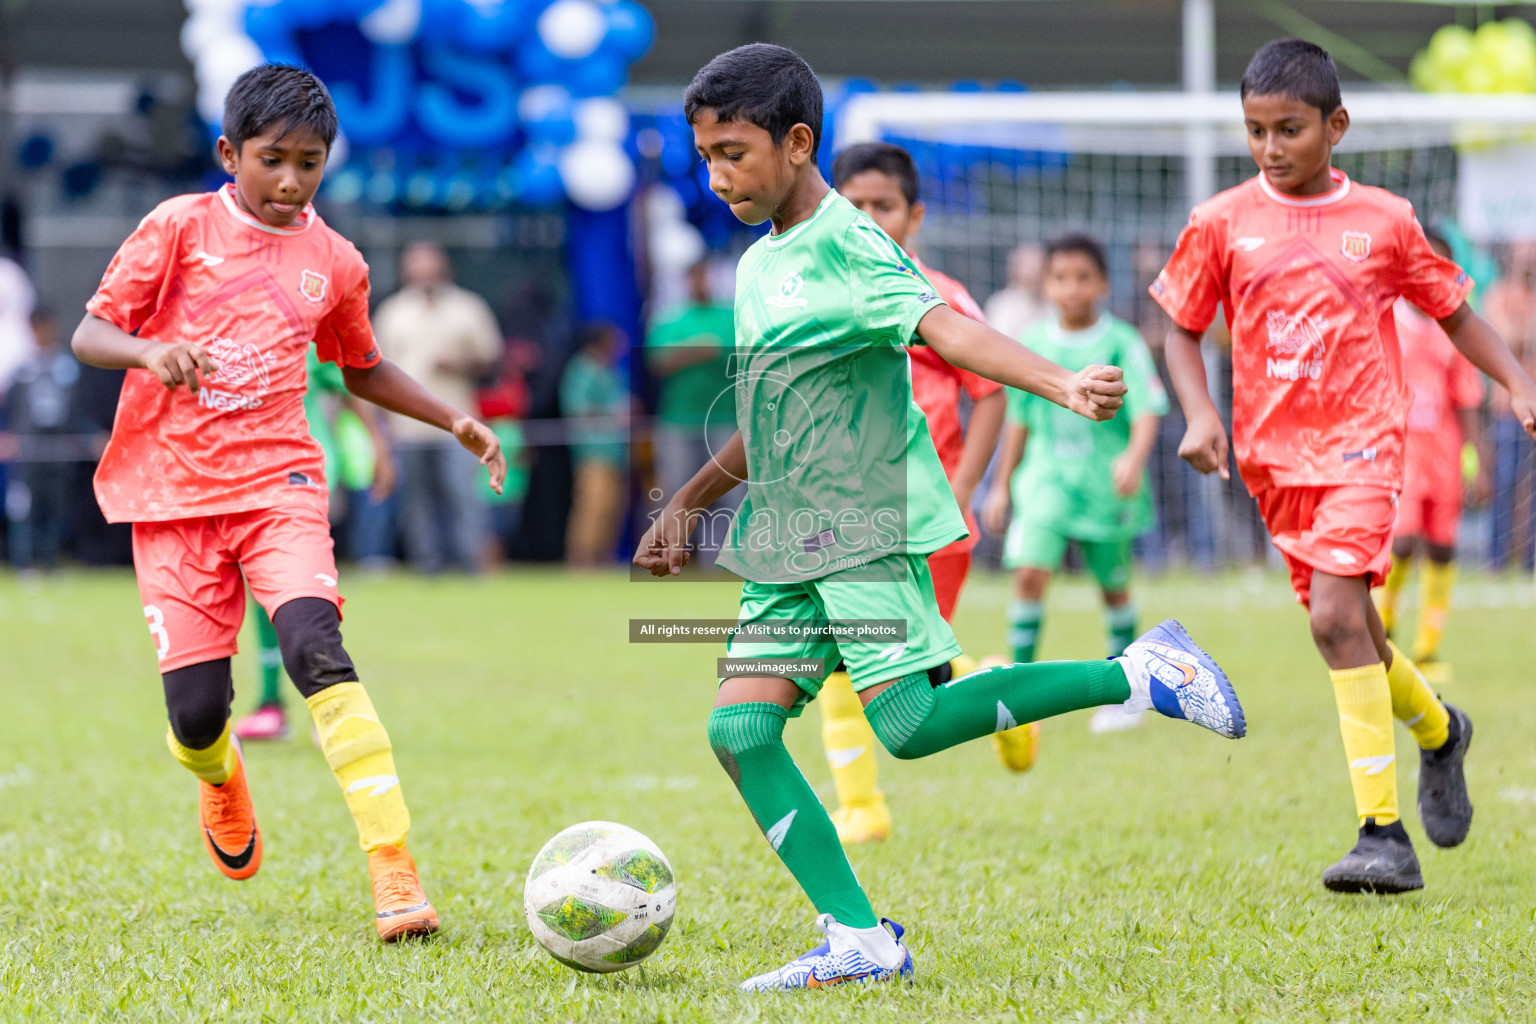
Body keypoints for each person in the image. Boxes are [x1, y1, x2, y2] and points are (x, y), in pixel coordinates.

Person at [637, 43, 1247, 992]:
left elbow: (945, 328)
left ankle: (1138, 670)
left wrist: (1058, 381)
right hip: (788, 541)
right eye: (705, 156)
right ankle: (858, 939)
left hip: (864, 528)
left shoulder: (852, 241)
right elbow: (763, 413)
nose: (716, 178)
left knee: (910, 724)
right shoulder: (757, 267)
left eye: (733, 153)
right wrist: (684, 506)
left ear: (798, 144)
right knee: (741, 733)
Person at [70, 63, 506, 941]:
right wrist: (150, 353)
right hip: (174, 497)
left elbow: (361, 364)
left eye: (310, 163)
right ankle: (218, 774)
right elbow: (90, 332)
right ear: (230, 153)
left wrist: (453, 416)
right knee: (196, 716)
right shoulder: (177, 228)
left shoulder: (336, 260)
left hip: (281, 483)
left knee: (315, 646)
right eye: (273, 160)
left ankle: (394, 872)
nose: (290, 181)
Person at [1152, 39, 1536, 895]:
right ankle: (1442, 734)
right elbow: (1181, 327)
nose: (1270, 148)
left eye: (1288, 129)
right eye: (1255, 131)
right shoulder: (1221, 221)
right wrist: (1203, 413)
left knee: (1333, 621)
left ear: (1336, 127)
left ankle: (1381, 834)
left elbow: (1455, 310)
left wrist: (1516, 381)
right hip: (1273, 464)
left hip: (1364, 446)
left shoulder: (1386, 221)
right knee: (1358, 632)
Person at [816, 141, 1008, 845]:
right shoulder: (822, 292)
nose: (868, 218)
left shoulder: (939, 297)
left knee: (914, 681)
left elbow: (990, 396)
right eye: (855, 205)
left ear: (914, 215)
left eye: (883, 206)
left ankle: (991, 681)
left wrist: (962, 490)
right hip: (844, 514)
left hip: (928, 520)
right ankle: (862, 807)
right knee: (845, 653)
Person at [983, 234, 1168, 735]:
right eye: (1060, 278)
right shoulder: (1036, 345)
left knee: (1113, 587)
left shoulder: (1121, 341)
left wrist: (1132, 457)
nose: (1071, 288)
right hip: (1044, 483)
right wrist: (1001, 485)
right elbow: (1017, 420)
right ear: (1045, 284)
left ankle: (1123, 691)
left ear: (1102, 284)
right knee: (1029, 573)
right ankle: (1016, 689)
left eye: (1082, 277)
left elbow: (1149, 409)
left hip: (1105, 486)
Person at [234, 348, 396, 743]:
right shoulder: (220, 328)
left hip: (302, 472)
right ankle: (273, 705)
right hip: (243, 472)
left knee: (305, 587)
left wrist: (379, 446)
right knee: (260, 589)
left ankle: (322, 704)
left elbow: (351, 387)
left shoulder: (301, 333)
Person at [1376, 229, 1490, 679]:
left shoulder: (1455, 330)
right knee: (1401, 543)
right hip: (1398, 457)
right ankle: (1383, 621)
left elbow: (1467, 401)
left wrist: (1481, 463)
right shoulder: (1389, 321)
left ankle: (1428, 647)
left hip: (1444, 460)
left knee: (1442, 549)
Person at [372, 240, 501, 573]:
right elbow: (372, 368)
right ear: (406, 271)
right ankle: (426, 565)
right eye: (417, 267)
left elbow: (492, 358)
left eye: (430, 266)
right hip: (407, 426)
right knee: (416, 504)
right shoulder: (393, 311)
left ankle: (471, 563)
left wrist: (460, 363)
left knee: (463, 496)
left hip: (460, 424)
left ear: (443, 268)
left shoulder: (468, 307)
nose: (424, 273)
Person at [645, 258, 739, 552]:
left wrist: (690, 353)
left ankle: (723, 560)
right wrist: (701, 350)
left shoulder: (731, 316)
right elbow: (658, 361)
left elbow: (743, 359)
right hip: (678, 421)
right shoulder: (670, 319)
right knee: (674, 490)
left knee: (730, 493)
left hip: (726, 419)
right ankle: (669, 553)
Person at [3, 308, 94, 572]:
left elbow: (78, 410)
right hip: (28, 451)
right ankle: (24, 564)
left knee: (56, 509)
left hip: (59, 451)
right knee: (24, 508)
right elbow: (13, 410)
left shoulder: (66, 367)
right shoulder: (22, 369)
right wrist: (10, 436)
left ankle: (51, 561)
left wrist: (87, 437)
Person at [1483, 241, 1536, 569]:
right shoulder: (1498, 294)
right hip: (1507, 407)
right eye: (1523, 257)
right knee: (1504, 482)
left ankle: (1531, 561)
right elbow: (1504, 337)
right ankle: (1497, 559)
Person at [562, 322, 631, 567]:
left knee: (612, 508)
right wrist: (613, 414)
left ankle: (603, 558)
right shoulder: (582, 369)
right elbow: (577, 409)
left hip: (616, 451)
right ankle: (581, 560)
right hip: (592, 451)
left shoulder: (613, 370)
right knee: (591, 506)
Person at [983, 242, 1047, 341]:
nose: (1033, 272)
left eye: (1038, 267)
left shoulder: (1053, 304)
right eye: (1028, 267)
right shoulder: (1003, 304)